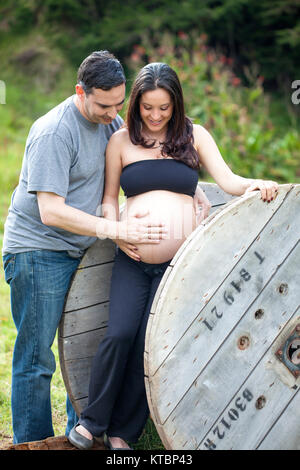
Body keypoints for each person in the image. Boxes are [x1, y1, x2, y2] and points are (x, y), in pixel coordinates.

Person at [68, 62, 278, 450]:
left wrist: (258, 184)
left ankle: (122, 435)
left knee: (150, 346)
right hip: (132, 257)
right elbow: (109, 199)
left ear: (176, 104)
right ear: (136, 104)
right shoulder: (122, 141)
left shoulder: (195, 136)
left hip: (181, 266)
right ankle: (91, 421)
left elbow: (229, 182)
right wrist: (117, 235)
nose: (155, 116)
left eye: (164, 108)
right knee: (119, 334)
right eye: (148, 107)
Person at [1, 51, 171, 444]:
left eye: (119, 103)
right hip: (39, 250)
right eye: (104, 104)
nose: (113, 113)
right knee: (37, 358)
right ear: (81, 91)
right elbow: (50, 211)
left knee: (88, 344)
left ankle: (83, 435)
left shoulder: (110, 121)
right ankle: (34, 442)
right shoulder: (54, 132)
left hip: (86, 249)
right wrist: (113, 229)